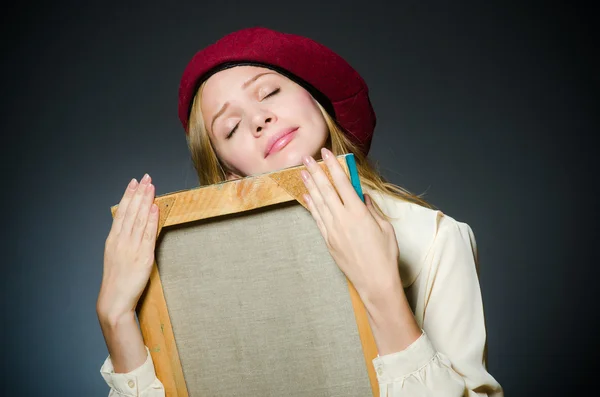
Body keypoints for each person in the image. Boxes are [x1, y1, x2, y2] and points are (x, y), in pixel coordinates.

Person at [97, 27, 503, 396]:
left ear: (314, 96)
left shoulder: (434, 239)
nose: (258, 120)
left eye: (269, 92)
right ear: (229, 169)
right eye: (230, 127)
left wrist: (382, 291)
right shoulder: (189, 274)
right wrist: (116, 319)